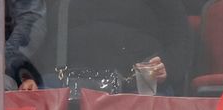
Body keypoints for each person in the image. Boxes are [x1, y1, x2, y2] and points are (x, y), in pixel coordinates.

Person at [43, 0, 191, 95]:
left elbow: (180, 39)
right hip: (64, 83)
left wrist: (166, 66)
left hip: (138, 86)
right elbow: (42, 38)